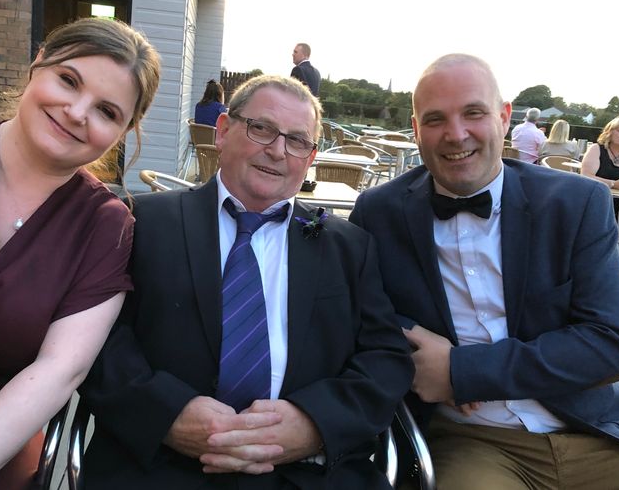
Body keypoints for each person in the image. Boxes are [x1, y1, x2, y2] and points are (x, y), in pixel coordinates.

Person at [79, 74, 413, 489]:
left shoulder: (349, 245)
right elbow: (97, 341)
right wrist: (168, 414)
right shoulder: (141, 222)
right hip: (161, 467)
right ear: (222, 131)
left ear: (310, 158)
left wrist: (313, 423)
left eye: (297, 140)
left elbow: (386, 358)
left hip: (303, 473)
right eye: (262, 129)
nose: (277, 151)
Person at [351, 54, 619, 489]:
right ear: (416, 130)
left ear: (503, 118)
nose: (456, 134)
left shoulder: (575, 205)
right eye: (435, 119)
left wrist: (465, 371)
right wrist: (407, 345)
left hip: (595, 431)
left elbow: (616, 340)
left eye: (473, 113)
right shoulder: (379, 212)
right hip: (474, 443)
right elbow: (360, 316)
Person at [0, 18, 161, 489]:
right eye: (68, 81)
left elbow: (59, 370)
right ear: (38, 63)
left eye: (107, 111)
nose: (76, 112)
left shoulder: (106, 226)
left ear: (125, 130)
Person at [581, 115, 619, 215]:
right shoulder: (596, 149)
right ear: (609, 132)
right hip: (595, 201)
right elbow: (585, 176)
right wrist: (613, 183)